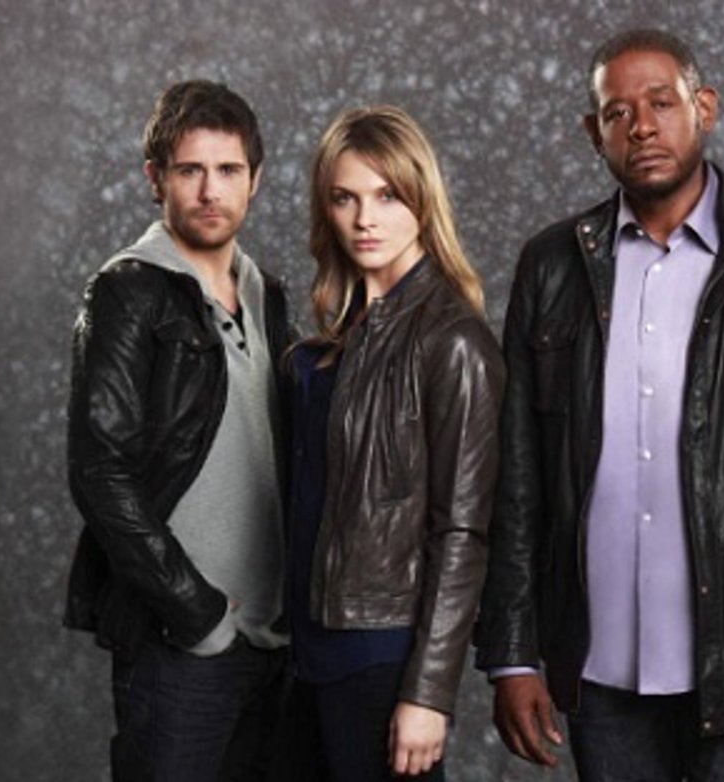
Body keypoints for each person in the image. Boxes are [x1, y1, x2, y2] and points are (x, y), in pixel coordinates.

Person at [475, 29, 724, 782]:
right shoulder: (552, 267)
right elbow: (519, 479)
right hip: (600, 670)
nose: (642, 127)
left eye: (661, 103)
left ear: (704, 108)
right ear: (594, 133)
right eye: (617, 113)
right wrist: (512, 655)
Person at [64, 80, 292, 780]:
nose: (209, 191)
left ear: (255, 180)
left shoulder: (267, 293)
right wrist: (197, 614)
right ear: (155, 179)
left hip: (273, 640)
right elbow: (100, 471)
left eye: (228, 170)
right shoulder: (128, 290)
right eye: (190, 170)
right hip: (182, 644)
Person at [286, 105, 504, 781]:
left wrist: (429, 692)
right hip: (304, 649)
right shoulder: (332, 343)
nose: (364, 219)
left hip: (381, 654)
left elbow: (462, 531)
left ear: (421, 201)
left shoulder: (453, 342)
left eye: (386, 196)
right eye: (344, 198)